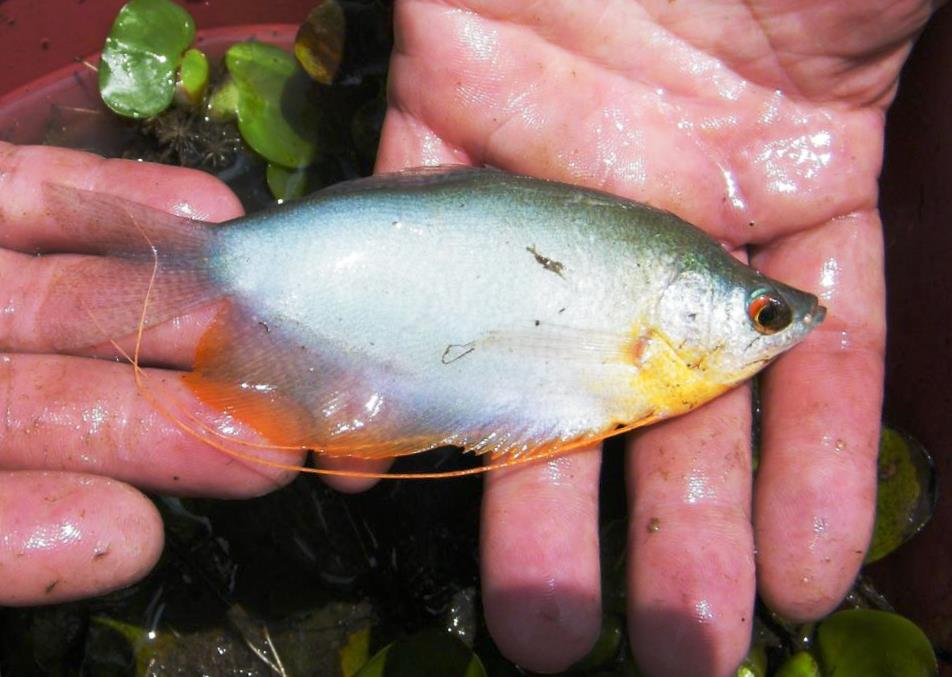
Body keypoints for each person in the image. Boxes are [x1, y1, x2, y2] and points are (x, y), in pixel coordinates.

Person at [0, 0, 938, 674]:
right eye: (763, 315)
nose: (781, 324)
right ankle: (180, 267)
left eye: (766, 313)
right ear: (692, 307)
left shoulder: (667, 332)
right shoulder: (657, 346)